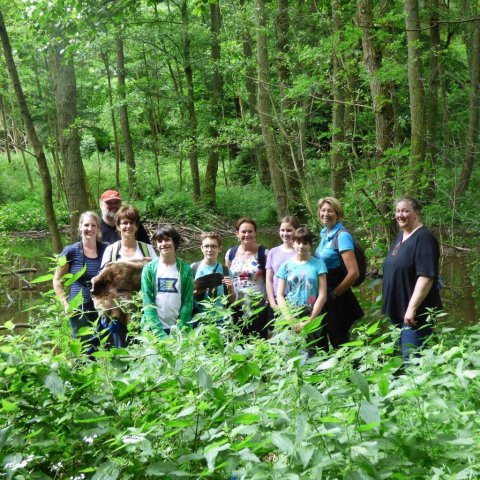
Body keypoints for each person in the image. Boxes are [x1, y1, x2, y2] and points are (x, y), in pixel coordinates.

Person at [382, 197, 442, 362]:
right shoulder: (401, 236)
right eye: (398, 211)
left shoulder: (424, 239)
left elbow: (426, 276)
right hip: (398, 311)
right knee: (399, 362)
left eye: (405, 210)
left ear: (416, 213)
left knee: (413, 363)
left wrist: (411, 308)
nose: (400, 215)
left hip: (414, 315)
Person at [100, 204, 157, 347]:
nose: (128, 226)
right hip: (118, 313)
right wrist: (106, 312)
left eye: (132, 223)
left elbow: (157, 278)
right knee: (122, 354)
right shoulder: (111, 251)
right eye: (124, 223)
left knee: (145, 349)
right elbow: (102, 284)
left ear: (137, 226)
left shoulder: (147, 250)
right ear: (118, 226)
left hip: (144, 310)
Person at [314, 197, 364, 350]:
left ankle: (351, 373)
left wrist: (334, 294)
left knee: (341, 343)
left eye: (330, 211)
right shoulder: (325, 234)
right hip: (325, 295)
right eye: (323, 210)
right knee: (321, 341)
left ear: (338, 214)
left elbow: (353, 273)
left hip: (337, 298)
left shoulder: (342, 236)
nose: (326, 214)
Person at [53, 211, 107, 345]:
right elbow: (57, 280)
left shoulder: (107, 250)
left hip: (102, 309)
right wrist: (65, 305)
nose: (89, 229)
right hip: (78, 310)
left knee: (103, 349)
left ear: (98, 228)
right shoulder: (70, 251)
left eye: (93, 225)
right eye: (86, 225)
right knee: (82, 351)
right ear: (80, 227)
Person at [276, 227, 328, 345]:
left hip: (311, 312)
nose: (301, 246)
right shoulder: (285, 266)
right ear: (293, 243)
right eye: (298, 242)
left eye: (305, 243)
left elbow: (322, 295)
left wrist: (311, 319)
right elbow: (279, 294)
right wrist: (289, 318)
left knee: (311, 350)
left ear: (310, 245)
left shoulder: (319, 265)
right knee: (291, 351)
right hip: (291, 312)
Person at [141, 225, 194, 338]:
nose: (163, 244)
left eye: (167, 239)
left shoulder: (185, 269)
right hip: (153, 331)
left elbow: (187, 302)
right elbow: (147, 303)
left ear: (174, 242)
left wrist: (179, 330)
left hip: (179, 330)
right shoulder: (149, 269)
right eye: (159, 241)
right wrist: (159, 334)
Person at [225, 217, 270, 338]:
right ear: (237, 234)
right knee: (237, 340)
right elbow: (227, 277)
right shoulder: (231, 253)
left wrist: (269, 301)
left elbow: (270, 280)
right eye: (243, 232)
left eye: (250, 231)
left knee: (259, 340)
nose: (247, 234)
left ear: (255, 233)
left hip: (258, 306)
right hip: (236, 304)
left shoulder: (264, 253)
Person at [191, 232, 235, 321]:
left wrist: (230, 288)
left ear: (219, 248)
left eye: (213, 246)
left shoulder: (226, 271)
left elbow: (232, 301)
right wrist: (196, 293)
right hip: (199, 321)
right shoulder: (193, 268)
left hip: (221, 320)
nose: (209, 249)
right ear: (201, 248)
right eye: (206, 246)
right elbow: (185, 298)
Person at [265, 216, 300, 313]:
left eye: (289, 230)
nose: (285, 234)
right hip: (277, 301)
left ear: (296, 231)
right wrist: (272, 303)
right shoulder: (273, 252)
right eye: (282, 230)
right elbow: (269, 280)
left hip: (297, 302)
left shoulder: (302, 252)